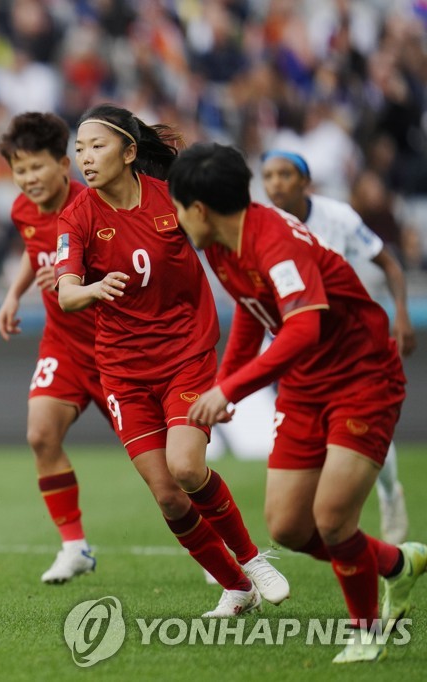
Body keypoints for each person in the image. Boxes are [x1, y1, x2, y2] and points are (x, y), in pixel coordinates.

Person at [167, 142, 426, 663]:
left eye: (176, 207)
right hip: (306, 384)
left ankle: (367, 631)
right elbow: (249, 312)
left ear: (198, 208)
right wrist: (226, 382)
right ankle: (399, 564)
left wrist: (230, 389)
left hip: (362, 375)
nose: (174, 218)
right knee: (288, 527)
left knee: (331, 519)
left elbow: (304, 327)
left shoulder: (274, 240)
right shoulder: (221, 241)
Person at [54, 103, 289, 617]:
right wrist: (91, 288)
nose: (86, 159)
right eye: (79, 150)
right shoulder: (77, 216)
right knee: (169, 498)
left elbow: (224, 242)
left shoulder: (172, 200)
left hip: (186, 355)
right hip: (122, 371)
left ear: (130, 151)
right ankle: (236, 586)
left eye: (97, 146)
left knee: (186, 466)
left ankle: (253, 560)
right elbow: (67, 294)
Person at [262, 149, 415, 544]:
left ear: (304, 180)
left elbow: (390, 264)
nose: (275, 183)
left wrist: (401, 313)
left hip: (346, 349)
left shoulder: (338, 217)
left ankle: (388, 493)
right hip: (295, 350)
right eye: (268, 175)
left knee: (359, 432)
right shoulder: (263, 223)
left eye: (284, 174)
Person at [0, 112, 113, 584]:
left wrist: (75, 278)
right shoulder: (24, 211)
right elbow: (35, 248)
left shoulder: (96, 206)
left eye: (37, 168)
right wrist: (14, 292)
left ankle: (217, 547)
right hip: (62, 343)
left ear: (64, 164)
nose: (29, 179)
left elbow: (121, 270)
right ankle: (74, 546)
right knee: (41, 434)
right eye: (19, 171)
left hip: (114, 346)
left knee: (166, 469)